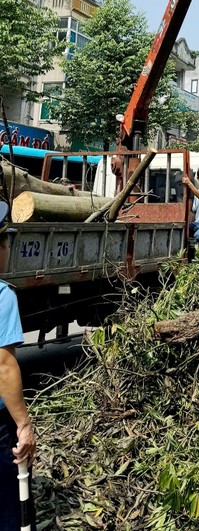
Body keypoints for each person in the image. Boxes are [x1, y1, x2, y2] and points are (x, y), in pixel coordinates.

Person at [0, 201, 37, 529]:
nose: (9, 248)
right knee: (11, 508)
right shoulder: (2, 296)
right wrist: (24, 425)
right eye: (6, 241)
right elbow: (4, 366)